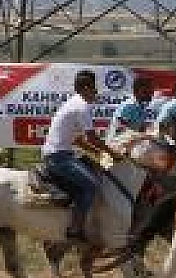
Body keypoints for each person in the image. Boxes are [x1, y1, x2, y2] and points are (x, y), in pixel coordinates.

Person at [42, 69, 125, 244]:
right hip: (59, 157)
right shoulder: (82, 106)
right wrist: (113, 154)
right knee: (91, 186)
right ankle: (75, 229)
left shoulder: (73, 103)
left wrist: (99, 154)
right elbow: (92, 138)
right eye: (94, 88)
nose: (96, 92)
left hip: (59, 154)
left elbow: (78, 140)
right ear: (86, 88)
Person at [107, 76, 155, 141]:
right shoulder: (129, 106)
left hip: (128, 140)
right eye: (147, 91)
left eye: (152, 91)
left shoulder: (141, 105)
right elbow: (121, 130)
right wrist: (143, 136)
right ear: (137, 91)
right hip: (117, 141)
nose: (151, 94)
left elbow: (140, 128)